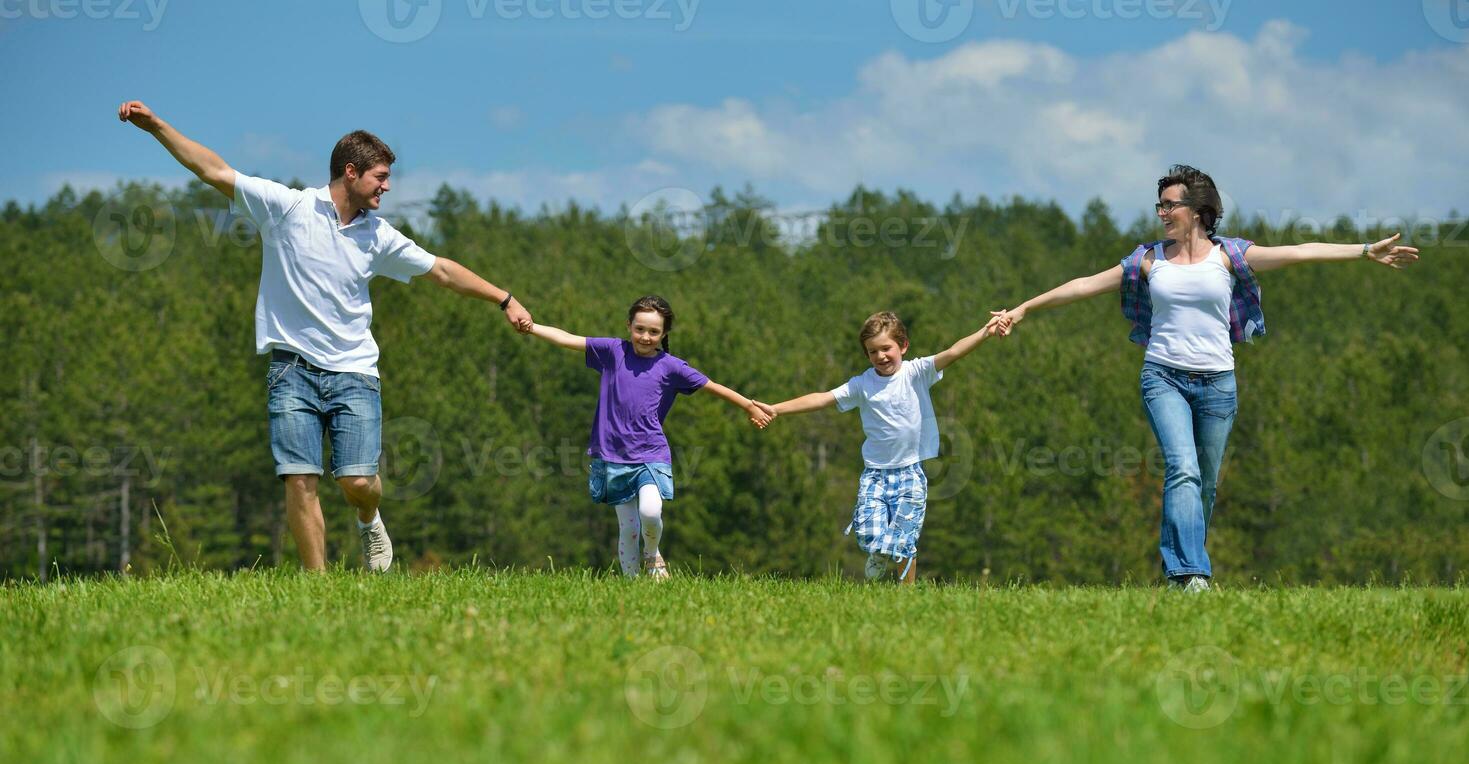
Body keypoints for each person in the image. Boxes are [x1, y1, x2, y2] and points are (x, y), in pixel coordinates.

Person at [116, 100, 535, 572]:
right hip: (291, 370)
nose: (387, 186)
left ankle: (370, 517)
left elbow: (440, 270)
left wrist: (504, 298)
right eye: (380, 177)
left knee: (357, 482)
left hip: (355, 372)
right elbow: (214, 170)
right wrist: (155, 127)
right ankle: (317, 586)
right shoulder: (288, 207)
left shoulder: (378, 236)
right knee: (300, 478)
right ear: (350, 173)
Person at [987, 165, 1419, 591]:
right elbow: (1083, 285)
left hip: (1218, 385)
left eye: (1168, 205)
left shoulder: (1229, 255)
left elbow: (1299, 251)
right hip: (1163, 378)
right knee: (1183, 470)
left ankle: (1181, 568)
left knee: (1205, 483)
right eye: (1159, 205)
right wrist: (1023, 309)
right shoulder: (1148, 260)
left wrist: (1364, 250)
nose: (1161, 213)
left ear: (1197, 211)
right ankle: (1190, 573)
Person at [522, 295, 772, 579]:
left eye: (654, 331)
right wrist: (532, 328)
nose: (645, 336)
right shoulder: (613, 351)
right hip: (613, 455)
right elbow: (568, 339)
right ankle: (632, 586)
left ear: (664, 333)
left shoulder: (671, 367)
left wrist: (749, 406)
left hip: (651, 454)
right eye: (640, 329)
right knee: (628, 528)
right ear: (629, 326)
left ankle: (652, 553)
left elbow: (712, 386)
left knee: (651, 512)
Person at [759, 312, 1003, 584]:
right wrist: (776, 409)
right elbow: (821, 399)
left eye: (886, 348)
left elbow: (954, 351)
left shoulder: (917, 372)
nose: (881, 356)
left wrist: (985, 332)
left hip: (910, 473)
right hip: (875, 474)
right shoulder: (862, 385)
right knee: (866, 532)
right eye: (872, 351)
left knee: (904, 539)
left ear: (903, 346)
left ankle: (905, 596)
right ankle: (878, 552)